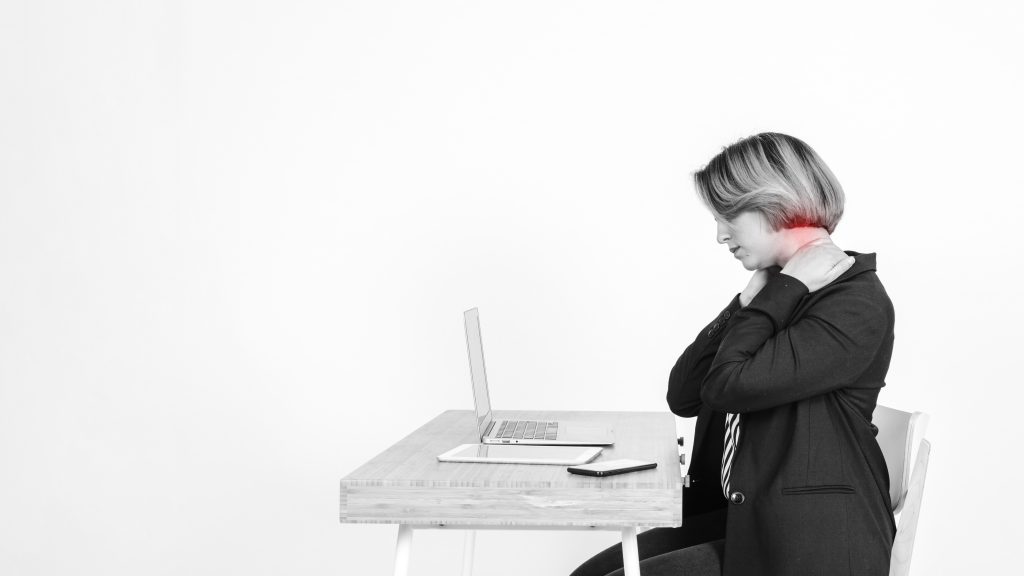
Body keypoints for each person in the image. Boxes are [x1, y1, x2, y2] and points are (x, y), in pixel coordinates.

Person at [569, 132, 896, 576]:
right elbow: (684, 394)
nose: (720, 234)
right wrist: (746, 302)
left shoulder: (854, 302)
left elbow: (728, 387)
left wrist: (782, 290)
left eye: (728, 216)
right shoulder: (778, 290)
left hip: (809, 545)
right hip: (748, 520)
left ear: (773, 203)